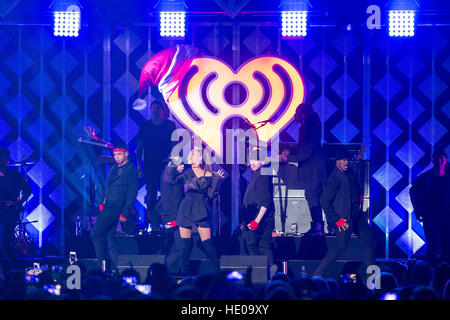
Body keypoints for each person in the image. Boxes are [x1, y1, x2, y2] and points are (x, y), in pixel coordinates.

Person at [313, 149, 376, 277]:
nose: (346, 162)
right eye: (343, 160)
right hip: (345, 219)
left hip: (357, 216)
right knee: (339, 247)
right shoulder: (335, 178)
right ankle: (317, 275)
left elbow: (357, 180)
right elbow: (324, 201)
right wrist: (337, 219)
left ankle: (373, 279)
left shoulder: (350, 172)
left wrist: (359, 158)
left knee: (370, 241)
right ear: (337, 162)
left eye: (347, 160)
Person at [167, 149, 224, 274]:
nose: (191, 158)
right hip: (186, 207)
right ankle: (184, 273)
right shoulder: (186, 173)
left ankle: (218, 272)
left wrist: (216, 180)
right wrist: (173, 168)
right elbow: (170, 180)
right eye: (190, 155)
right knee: (184, 245)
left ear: (200, 159)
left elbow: (211, 195)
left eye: (194, 155)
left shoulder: (209, 175)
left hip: (201, 208)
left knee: (208, 244)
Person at [279, 103, 328, 236]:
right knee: (318, 196)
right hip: (316, 167)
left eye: (296, 113)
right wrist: (291, 149)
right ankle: (320, 226)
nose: (294, 116)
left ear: (303, 114)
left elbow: (306, 153)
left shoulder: (306, 127)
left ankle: (318, 227)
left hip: (313, 169)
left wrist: (287, 158)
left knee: (312, 196)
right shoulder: (311, 126)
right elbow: (305, 148)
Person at [91, 142, 138, 271]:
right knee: (109, 238)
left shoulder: (131, 169)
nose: (116, 157)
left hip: (116, 206)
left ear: (126, 154)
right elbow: (108, 187)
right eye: (115, 155)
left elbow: (132, 192)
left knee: (96, 233)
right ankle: (117, 267)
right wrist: (102, 202)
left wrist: (125, 211)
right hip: (108, 205)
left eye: (119, 154)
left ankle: (100, 266)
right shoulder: (114, 168)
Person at [136, 100, 176, 232]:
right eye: (152, 107)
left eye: (157, 107)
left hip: (164, 165)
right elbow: (140, 147)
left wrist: (170, 160)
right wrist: (139, 167)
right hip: (149, 165)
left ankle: (167, 223)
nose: (154, 109)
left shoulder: (169, 125)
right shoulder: (146, 126)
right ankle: (153, 224)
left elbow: (174, 146)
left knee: (167, 194)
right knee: (151, 194)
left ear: (162, 110)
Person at [410, 149, 450, 263]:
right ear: (433, 160)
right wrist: (418, 211)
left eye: (441, 159)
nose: (440, 161)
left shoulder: (445, 177)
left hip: (446, 215)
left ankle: (444, 269)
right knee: (432, 242)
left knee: (446, 242)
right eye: (437, 159)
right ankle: (432, 267)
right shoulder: (424, 178)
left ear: (445, 160)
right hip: (430, 215)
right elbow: (413, 193)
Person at [241, 159, 276, 273]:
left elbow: (266, 201)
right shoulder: (258, 174)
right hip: (257, 218)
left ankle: (259, 274)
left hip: (259, 219)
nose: (252, 163)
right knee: (263, 246)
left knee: (253, 246)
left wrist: (257, 220)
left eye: (255, 160)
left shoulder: (262, 176)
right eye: (251, 161)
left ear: (263, 161)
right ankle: (268, 273)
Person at [0, 147, 32, 270]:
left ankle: (15, 271)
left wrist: (18, 203)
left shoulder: (14, 175)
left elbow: (28, 190)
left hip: (9, 213)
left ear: (6, 159)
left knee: (4, 244)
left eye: (2, 156)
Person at [155, 161, 185, 272]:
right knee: (180, 245)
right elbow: (175, 198)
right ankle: (171, 271)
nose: (183, 166)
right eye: (181, 164)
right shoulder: (174, 177)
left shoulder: (165, 173)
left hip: (169, 212)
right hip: (175, 213)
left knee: (171, 244)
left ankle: (165, 270)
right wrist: (177, 219)